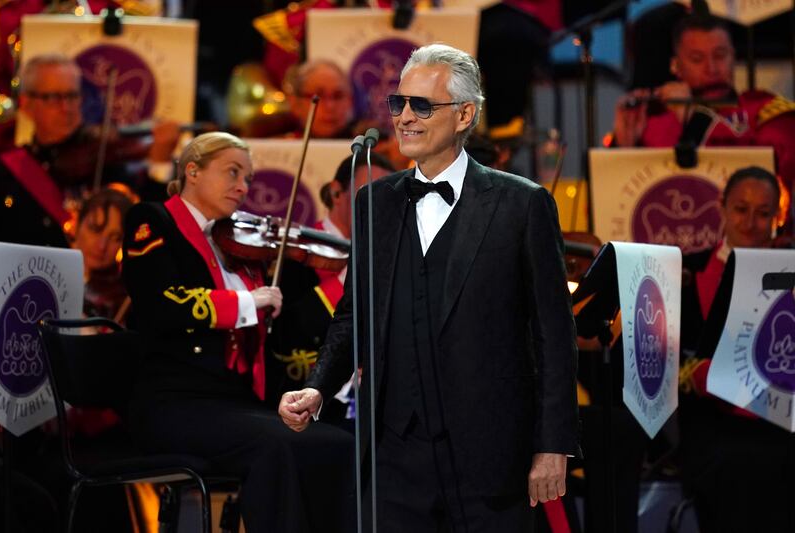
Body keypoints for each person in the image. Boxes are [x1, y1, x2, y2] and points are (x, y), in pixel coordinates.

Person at [279, 44, 579, 531]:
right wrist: (318, 387)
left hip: (490, 455)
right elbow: (354, 315)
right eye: (399, 104)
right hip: (394, 454)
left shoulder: (522, 205)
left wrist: (552, 444)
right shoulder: (374, 202)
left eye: (422, 105)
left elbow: (554, 335)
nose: (405, 118)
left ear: (465, 114)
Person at [121, 131, 354, 533]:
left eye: (247, 177)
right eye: (232, 172)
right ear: (192, 171)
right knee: (274, 446)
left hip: (234, 400)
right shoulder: (153, 221)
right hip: (174, 402)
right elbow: (161, 303)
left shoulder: (238, 245)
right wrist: (249, 303)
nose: (243, 187)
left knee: (337, 443)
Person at [678, 166, 794, 532]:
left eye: (763, 213)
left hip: (783, 420)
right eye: (741, 209)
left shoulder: (790, 268)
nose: (751, 223)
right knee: (739, 466)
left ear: (779, 216)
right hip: (714, 424)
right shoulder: (687, 269)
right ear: (722, 207)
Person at [611, 10, 795, 223]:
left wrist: (695, 120)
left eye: (720, 55)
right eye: (697, 59)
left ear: (733, 57)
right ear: (676, 66)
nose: (712, 68)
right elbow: (618, 203)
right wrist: (621, 148)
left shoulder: (765, 110)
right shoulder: (653, 122)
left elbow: (772, 171)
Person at [0, 53, 179, 247]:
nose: (66, 107)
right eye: (53, 98)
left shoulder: (107, 159)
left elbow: (149, 224)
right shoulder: (7, 171)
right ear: (26, 104)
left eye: (72, 96)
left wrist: (160, 163)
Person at [268, 152, 395, 425]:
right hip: (307, 399)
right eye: (367, 191)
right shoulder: (295, 256)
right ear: (336, 193)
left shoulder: (387, 256)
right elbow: (286, 337)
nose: (377, 205)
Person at [71, 185, 138, 322]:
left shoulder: (124, 299)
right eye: (95, 229)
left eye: (115, 238)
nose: (102, 246)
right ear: (78, 224)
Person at [284, 59, 356, 139]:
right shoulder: (281, 146)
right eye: (318, 96)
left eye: (338, 96)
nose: (330, 106)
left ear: (350, 101)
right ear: (295, 103)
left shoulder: (366, 146)